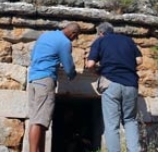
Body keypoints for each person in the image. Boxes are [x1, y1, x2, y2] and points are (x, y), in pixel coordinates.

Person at [86, 22, 143, 152]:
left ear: (100, 33)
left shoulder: (100, 41)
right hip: (131, 84)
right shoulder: (127, 40)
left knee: (112, 124)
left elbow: (90, 64)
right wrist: (126, 66)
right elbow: (140, 60)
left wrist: (97, 71)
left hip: (111, 82)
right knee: (130, 120)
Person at [27, 22, 79, 152]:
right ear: (73, 33)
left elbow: (33, 56)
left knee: (35, 120)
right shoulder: (64, 42)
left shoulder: (45, 36)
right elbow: (68, 66)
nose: (74, 40)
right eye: (76, 37)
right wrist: (72, 75)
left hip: (33, 79)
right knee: (40, 120)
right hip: (45, 80)